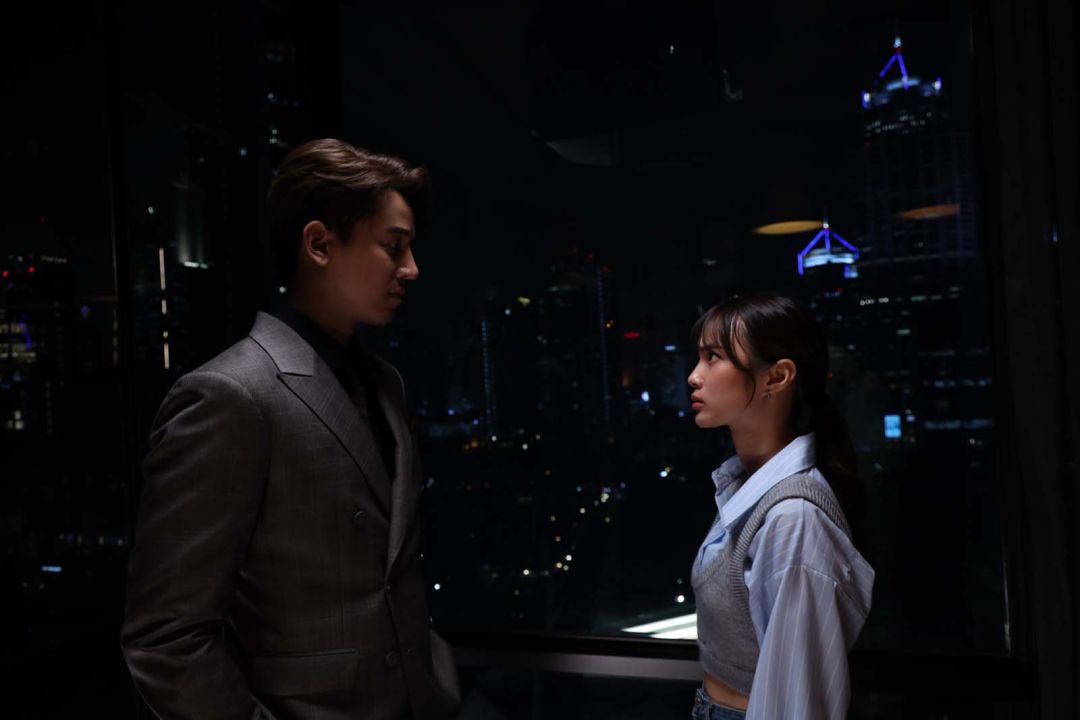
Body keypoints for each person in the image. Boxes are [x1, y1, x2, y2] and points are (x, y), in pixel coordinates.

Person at [121, 138, 460, 719]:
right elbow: (166, 640)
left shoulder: (385, 384)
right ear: (320, 244)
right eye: (393, 246)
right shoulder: (230, 394)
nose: (411, 269)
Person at [686, 294, 874, 720]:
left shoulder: (793, 518)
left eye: (713, 357)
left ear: (777, 376)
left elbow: (797, 703)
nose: (694, 376)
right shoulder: (745, 486)